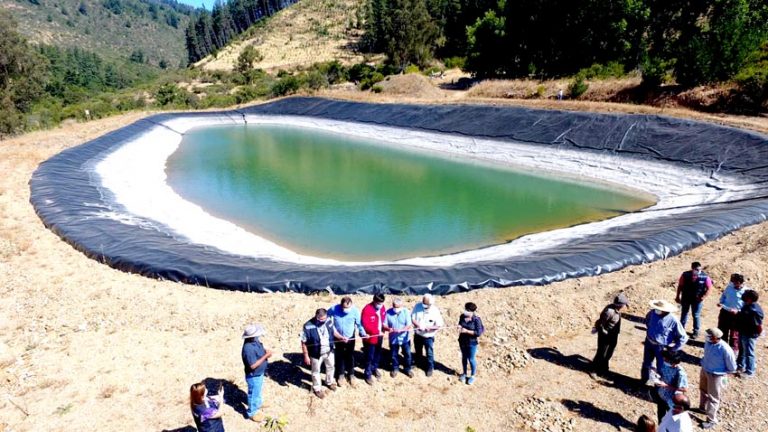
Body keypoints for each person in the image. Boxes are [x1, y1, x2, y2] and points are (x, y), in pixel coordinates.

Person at [641, 300, 688, 383]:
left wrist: (674, 349)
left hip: (662, 347)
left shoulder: (673, 320)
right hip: (649, 342)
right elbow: (647, 321)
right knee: (646, 363)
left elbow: (683, 337)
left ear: (666, 311)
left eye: (659, 309)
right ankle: (644, 380)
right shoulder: (652, 313)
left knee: (661, 367)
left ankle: (659, 385)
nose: (657, 310)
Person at [301, 308, 344, 398]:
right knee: (316, 371)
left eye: (325, 318)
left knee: (331, 367)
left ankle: (329, 382)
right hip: (316, 354)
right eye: (321, 320)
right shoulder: (307, 326)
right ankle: (317, 388)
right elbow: (303, 342)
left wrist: (340, 337)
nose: (324, 321)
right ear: (317, 317)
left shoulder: (328, 320)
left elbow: (334, 331)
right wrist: (306, 355)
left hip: (329, 350)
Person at [699, 327, 737, 429]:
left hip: (716, 375)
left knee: (713, 397)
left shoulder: (725, 349)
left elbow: (732, 367)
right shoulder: (708, 343)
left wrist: (722, 375)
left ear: (715, 338)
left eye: (709, 336)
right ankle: (702, 408)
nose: (706, 338)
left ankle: (711, 420)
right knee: (703, 390)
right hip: (705, 370)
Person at [328, 296, 367, 387]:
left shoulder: (355, 311)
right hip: (338, 338)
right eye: (344, 308)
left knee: (350, 355)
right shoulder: (334, 308)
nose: (346, 310)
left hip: (350, 337)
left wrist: (363, 333)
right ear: (341, 305)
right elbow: (327, 317)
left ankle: (351, 374)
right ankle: (341, 374)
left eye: (348, 307)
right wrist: (332, 329)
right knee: (339, 356)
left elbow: (359, 324)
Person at [591, 292, 629, 378]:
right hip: (605, 335)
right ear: (620, 305)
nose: (624, 307)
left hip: (613, 335)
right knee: (601, 353)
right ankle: (594, 370)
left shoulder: (617, 311)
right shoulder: (609, 311)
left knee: (609, 352)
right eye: (624, 305)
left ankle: (604, 367)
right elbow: (601, 324)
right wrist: (605, 333)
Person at [241, 324, 272, 422]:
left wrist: (264, 351)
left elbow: (260, 348)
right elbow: (252, 366)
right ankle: (252, 412)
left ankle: (258, 403)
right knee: (253, 393)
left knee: (257, 390)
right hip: (253, 375)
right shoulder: (248, 349)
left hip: (259, 373)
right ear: (251, 337)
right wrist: (266, 356)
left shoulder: (255, 341)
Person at [675, 261, 713, 339]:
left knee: (696, 315)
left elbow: (709, 288)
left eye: (699, 269)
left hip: (697, 299)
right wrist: (677, 296)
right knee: (684, 313)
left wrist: (704, 297)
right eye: (696, 269)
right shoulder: (685, 275)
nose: (698, 271)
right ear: (692, 268)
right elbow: (680, 286)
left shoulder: (705, 277)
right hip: (686, 298)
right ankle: (681, 330)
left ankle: (696, 331)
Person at [411, 293, 445, 377]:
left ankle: (430, 368)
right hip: (418, 335)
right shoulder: (417, 306)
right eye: (423, 303)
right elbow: (412, 318)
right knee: (418, 350)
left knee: (429, 353)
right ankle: (418, 363)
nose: (423, 305)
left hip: (428, 337)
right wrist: (418, 325)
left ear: (430, 304)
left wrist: (430, 328)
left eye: (425, 304)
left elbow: (439, 325)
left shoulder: (435, 311)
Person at [650, 350, 688, 423]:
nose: (664, 360)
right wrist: (655, 372)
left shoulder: (680, 372)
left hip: (671, 400)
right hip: (661, 395)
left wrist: (666, 386)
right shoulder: (665, 365)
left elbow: (684, 389)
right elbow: (663, 374)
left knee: (671, 419)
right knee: (660, 415)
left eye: (666, 360)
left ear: (672, 362)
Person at [717, 273, 747, 355]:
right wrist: (721, 302)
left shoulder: (745, 292)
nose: (732, 283)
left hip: (737, 315)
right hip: (725, 312)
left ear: (739, 282)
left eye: (734, 282)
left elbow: (747, 306)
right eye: (732, 281)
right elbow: (723, 296)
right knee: (722, 331)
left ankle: (733, 352)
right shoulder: (729, 287)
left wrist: (739, 311)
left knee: (734, 335)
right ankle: (722, 348)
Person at [736, 289, 763, 378]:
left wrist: (756, 335)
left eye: (745, 295)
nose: (743, 296)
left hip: (750, 334)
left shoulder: (754, 310)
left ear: (750, 298)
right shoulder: (747, 305)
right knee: (742, 350)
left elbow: (759, 326)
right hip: (743, 331)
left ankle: (750, 371)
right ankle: (740, 366)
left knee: (749, 353)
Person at [361, 293, 387, 385]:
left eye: (382, 303)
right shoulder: (367, 309)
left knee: (377, 353)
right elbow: (365, 325)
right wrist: (376, 332)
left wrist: (384, 328)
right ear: (374, 301)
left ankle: (374, 368)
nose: (381, 305)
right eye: (379, 303)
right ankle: (367, 373)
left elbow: (383, 319)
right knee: (369, 356)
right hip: (370, 338)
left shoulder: (382, 308)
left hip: (379, 336)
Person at [384, 297, 414, 378]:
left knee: (407, 354)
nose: (396, 309)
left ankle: (407, 369)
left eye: (397, 307)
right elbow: (384, 325)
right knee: (394, 355)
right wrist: (388, 329)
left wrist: (401, 330)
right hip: (393, 339)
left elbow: (409, 325)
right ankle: (395, 368)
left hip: (405, 338)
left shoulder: (406, 312)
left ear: (401, 306)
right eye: (394, 307)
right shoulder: (388, 313)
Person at [458, 302, 484, 385]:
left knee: (471, 359)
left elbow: (478, 333)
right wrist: (459, 326)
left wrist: (467, 331)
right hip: (462, 341)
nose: (466, 311)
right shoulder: (462, 316)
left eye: (468, 310)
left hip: (472, 342)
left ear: (472, 311)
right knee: (464, 357)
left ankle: (472, 376)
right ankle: (464, 373)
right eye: (465, 309)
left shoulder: (476, 320)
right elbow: (460, 323)